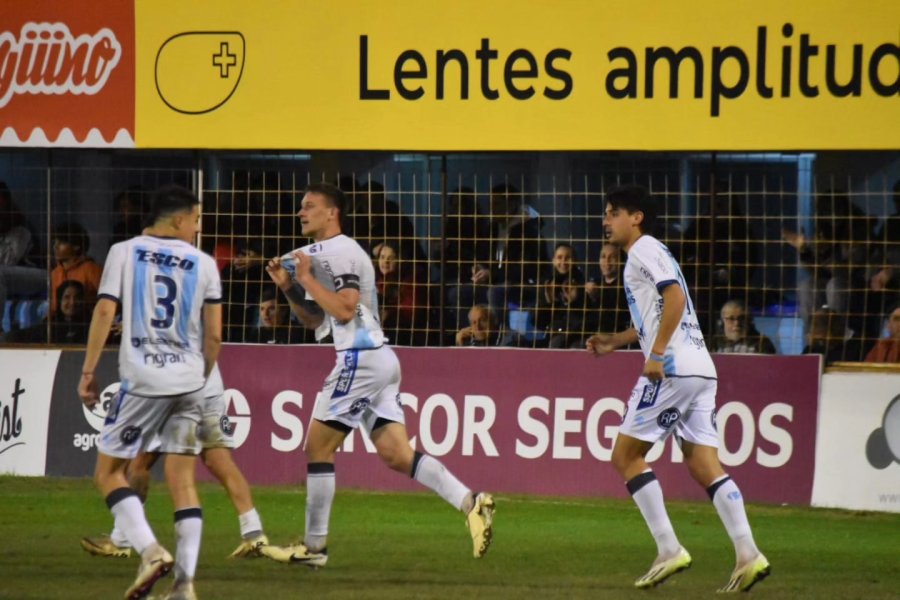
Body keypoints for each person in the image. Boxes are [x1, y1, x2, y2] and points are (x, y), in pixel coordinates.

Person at [262, 182, 495, 566]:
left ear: (331, 212)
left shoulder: (341, 251)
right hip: (377, 359)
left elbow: (345, 310)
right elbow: (315, 320)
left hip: (360, 359)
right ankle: (472, 502)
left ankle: (314, 548)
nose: (301, 212)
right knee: (397, 455)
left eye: (309, 206)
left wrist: (305, 278)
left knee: (318, 448)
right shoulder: (324, 255)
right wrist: (289, 287)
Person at [585, 185, 769, 593]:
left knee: (625, 455)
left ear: (636, 218)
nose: (606, 220)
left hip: (673, 369)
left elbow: (675, 297)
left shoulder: (644, 248)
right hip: (701, 368)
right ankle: (748, 553)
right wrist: (616, 340)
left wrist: (658, 352)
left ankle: (668, 549)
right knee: (704, 464)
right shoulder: (653, 252)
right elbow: (656, 312)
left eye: (613, 212)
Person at [77, 186, 223, 600]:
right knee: (184, 482)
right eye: (195, 220)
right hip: (191, 381)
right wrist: (200, 375)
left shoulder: (124, 252)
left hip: (143, 380)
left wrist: (88, 372)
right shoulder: (205, 264)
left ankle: (150, 551)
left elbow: (105, 310)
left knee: (108, 473)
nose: (198, 227)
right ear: (177, 221)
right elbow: (214, 336)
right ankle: (184, 587)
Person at [80, 364, 270, 561]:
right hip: (207, 390)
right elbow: (213, 340)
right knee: (219, 462)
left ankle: (121, 541)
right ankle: (253, 532)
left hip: (169, 392)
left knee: (139, 464)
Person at [447, 183, 547, 331]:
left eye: (497, 203)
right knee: (457, 293)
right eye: (490, 204)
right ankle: (471, 335)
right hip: (496, 282)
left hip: (522, 286)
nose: (492, 208)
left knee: (494, 293)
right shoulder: (493, 228)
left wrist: (490, 274)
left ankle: (502, 337)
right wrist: (480, 267)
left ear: (511, 204)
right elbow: (483, 256)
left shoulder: (529, 231)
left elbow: (525, 269)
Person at [375, 240, 428, 346]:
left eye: (391, 258)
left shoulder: (411, 281)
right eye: (382, 257)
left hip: (406, 335)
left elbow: (410, 313)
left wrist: (388, 313)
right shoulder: (377, 281)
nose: (385, 262)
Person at [585, 242, 631, 335]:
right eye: (603, 256)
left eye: (612, 257)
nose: (607, 261)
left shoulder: (627, 285)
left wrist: (597, 298)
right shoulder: (594, 284)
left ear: (621, 260)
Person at [712, 299, 777, 354]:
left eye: (742, 318)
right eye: (731, 318)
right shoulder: (712, 343)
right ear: (721, 322)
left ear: (749, 321)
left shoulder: (763, 343)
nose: (737, 323)